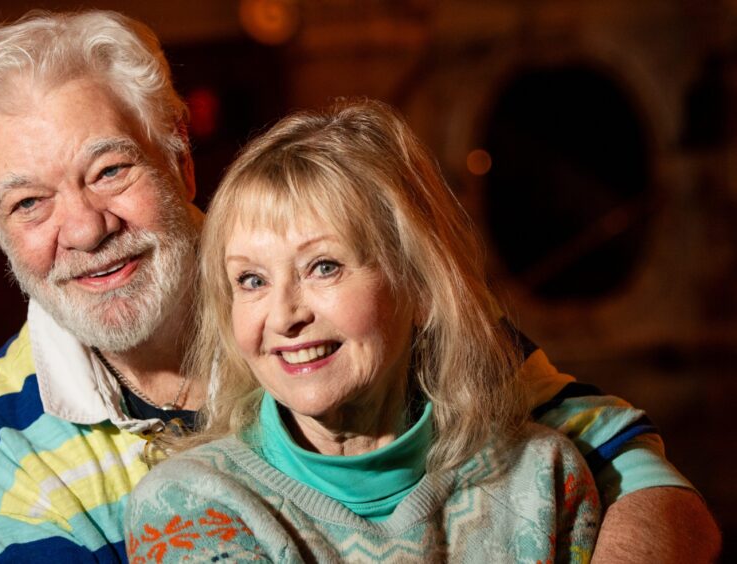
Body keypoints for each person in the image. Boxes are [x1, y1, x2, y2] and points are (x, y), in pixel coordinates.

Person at [0, 9, 719, 564]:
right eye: (29, 201)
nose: (82, 228)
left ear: (178, 155)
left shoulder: (360, 306)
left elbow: (625, 462)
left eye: (109, 170)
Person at [126, 99, 604, 562]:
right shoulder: (188, 506)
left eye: (323, 267)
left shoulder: (544, 479)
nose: (284, 315)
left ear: (421, 288)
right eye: (252, 280)